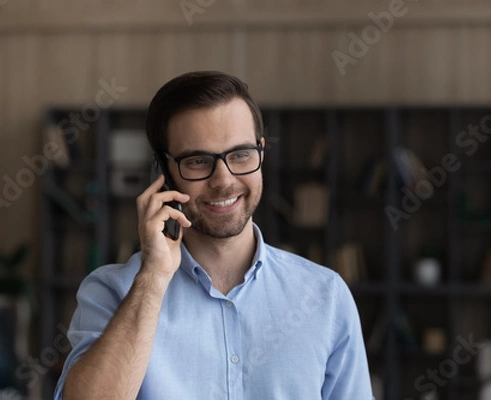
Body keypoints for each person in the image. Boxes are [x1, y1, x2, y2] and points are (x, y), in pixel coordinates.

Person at [54, 71, 374, 399]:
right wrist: (153, 279)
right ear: (163, 172)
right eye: (198, 161)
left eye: (240, 154)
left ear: (261, 152)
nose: (223, 180)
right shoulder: (112, 292)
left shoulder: (326, 296)